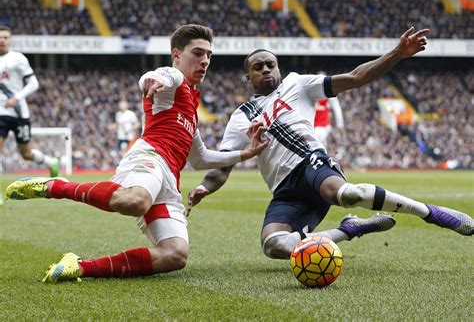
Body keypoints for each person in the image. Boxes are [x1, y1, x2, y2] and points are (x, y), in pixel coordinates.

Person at [6, 24, 269, 282]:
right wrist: (154, 78)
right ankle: (55, 187)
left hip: (169, 181)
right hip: (150, 158)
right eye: (198, 53)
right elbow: (158, 76)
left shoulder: (191, 103)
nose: (205, 60)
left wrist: (246, 154)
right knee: (134, 201)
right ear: (177, 55)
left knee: (175, 255)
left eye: (209, 55)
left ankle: (80, 266)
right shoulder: (172, 80)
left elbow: (200, 159)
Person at [187, 27, 473, 262]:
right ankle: (348, 230)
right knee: (273, 246)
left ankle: (429, 212)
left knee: (346, 194)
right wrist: (204, 188)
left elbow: (356, 78)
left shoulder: (298, 84)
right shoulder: (241, 116)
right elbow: (223, 165)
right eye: (257, 67)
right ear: (248, 77)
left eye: (270, 65)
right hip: (285, 190)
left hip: (311, 163)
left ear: (279, 68)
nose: (265, 70)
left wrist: (397, 53)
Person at [0, 26, 59, 177]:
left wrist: (16, 98)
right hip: (0, 113)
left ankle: (50, 162)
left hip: (19, 113)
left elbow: (34, 84)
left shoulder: (18, 58)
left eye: (5, 37)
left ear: (10, 40)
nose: (2, 40)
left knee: (25, 153)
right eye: (0, 37)